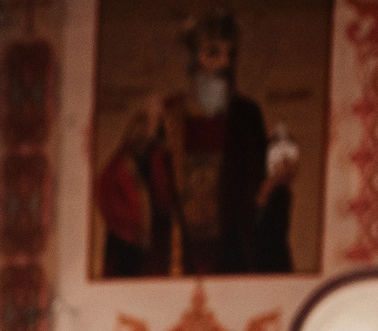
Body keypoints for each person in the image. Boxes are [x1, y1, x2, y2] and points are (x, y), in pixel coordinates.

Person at [93, 11, 295, 277]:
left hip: (229, 262)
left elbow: (255, 203)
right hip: (170, 261)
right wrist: (143, 142)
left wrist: (270, 189)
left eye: (231, 54)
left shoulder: (245, 117)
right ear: (192, 61)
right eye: (213, 53)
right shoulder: (164, 115)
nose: (224, 63)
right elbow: (114, 186)